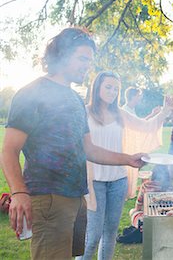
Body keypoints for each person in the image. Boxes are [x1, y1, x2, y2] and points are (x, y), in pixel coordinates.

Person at [0, 27, 144, 260]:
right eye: (82, 58)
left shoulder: (75, 98)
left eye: (90, 60)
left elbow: (89, 148)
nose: (88, 65)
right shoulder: (32, 93)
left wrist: (127, 159)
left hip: (77, 199)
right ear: (62, 54)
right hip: (48, 200)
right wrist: (18, 193)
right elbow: (9, 150)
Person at [77, 72, 173, 260]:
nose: (112, 92)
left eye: (116, 89)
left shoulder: (120, 114)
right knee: (92, 236)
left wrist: (165, 110)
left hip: (118, 180)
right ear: (97, 88)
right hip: (93, 181)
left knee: (110, 233)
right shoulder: (84, 112)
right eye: (108, 87)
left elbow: (146, 127)